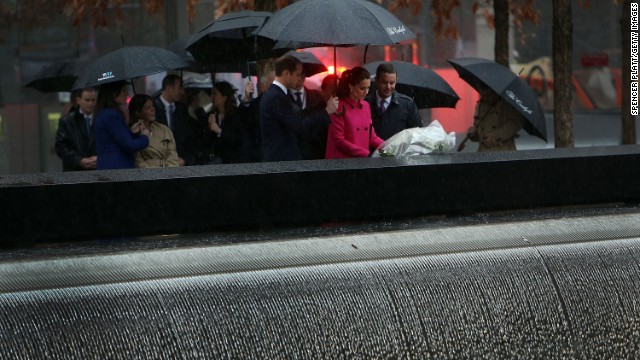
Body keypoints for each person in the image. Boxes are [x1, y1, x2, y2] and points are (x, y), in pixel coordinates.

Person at [259, 55, 338, 162]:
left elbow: (297, 117)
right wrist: (326, 111)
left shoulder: (276, 94)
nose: (299, 79)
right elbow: (299, 126)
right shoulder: (277, 97)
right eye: (297, 75)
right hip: (281, 162)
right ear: (286, 74)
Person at [325, 67, 384, 159]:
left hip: (361, 160)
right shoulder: (337, 106)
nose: (366, 92)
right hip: (342, 161)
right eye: (362, 88)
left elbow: (371, 137)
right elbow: (339, 141)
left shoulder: (365, 106)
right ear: (351, 86)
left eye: (368, 87)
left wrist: (388, 148)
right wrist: (367, 154)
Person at [95, 81, 149, 170]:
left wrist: (130, 132)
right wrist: (144, 137)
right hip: (117, 169)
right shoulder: (112, 115)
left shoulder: (104, 113)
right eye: (123, 91)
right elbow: (129, 145)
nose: (127, 94)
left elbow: (115, 140)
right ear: (113, 93)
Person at [365, 62, 422, 140]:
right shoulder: (365, 104)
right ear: (376, 80)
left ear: (396, 81)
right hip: (370, 151)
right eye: (384, 82)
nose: (388, 87)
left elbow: (417, 134)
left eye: (392, 83)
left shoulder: (407, 104)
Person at [466, 83, 525, 152]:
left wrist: (495, 136)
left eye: (488, 95)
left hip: (503, 151)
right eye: (482, 95)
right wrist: (474, 133)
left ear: (495, 92)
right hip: (484, 152)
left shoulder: (507, 104)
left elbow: (516, 123)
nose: (485, 98)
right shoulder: (479, 105)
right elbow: (479, 127)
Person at [153, 74, 197, 166]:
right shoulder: (153, 109)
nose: (182, 92)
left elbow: (190, 138)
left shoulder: (182, 110)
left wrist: (185, 159)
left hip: (180, 163)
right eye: (179, 88)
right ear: (169, 88)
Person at [289, 69, 332, 160]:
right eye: (296, 75)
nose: (299, 79)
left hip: (316, 152)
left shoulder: (317, 96)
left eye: (301, 75)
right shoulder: (281, 98)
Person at [128, 94, 180, 168]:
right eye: (148, 108)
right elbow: (138, 162)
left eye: (152, 106)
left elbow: (173, 156)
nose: (153, 109)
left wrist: (169, 174)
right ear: (138, 112)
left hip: (169, 174)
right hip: (148, 175)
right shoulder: (133, 133)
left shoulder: (164, 129)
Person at [54, 88, 98, 171]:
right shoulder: (67, 121)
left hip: (97, 170)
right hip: (75, 171)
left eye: (93, 100)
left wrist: (101, 158)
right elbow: (61, 147)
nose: (91, 103)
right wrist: (79, 160)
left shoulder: (101, 118)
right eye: (87, 100)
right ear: (78, 100)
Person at [202, 81, 244, 164]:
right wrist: (208, 128)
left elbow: (237, 138)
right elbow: (206, 141)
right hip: (215, 161)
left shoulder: (236, 114)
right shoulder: (211, 115)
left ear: (224, 97)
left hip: (233, 161)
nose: (212, 97)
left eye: (215, 94)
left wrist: (219, 131)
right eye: (211, 94)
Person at [237, 71, 274, 163]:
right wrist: (246, 99)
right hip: (259, 158)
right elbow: (242, 122)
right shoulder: (254, 105)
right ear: (263, 86)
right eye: (274, 85)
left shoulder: (286, 103)